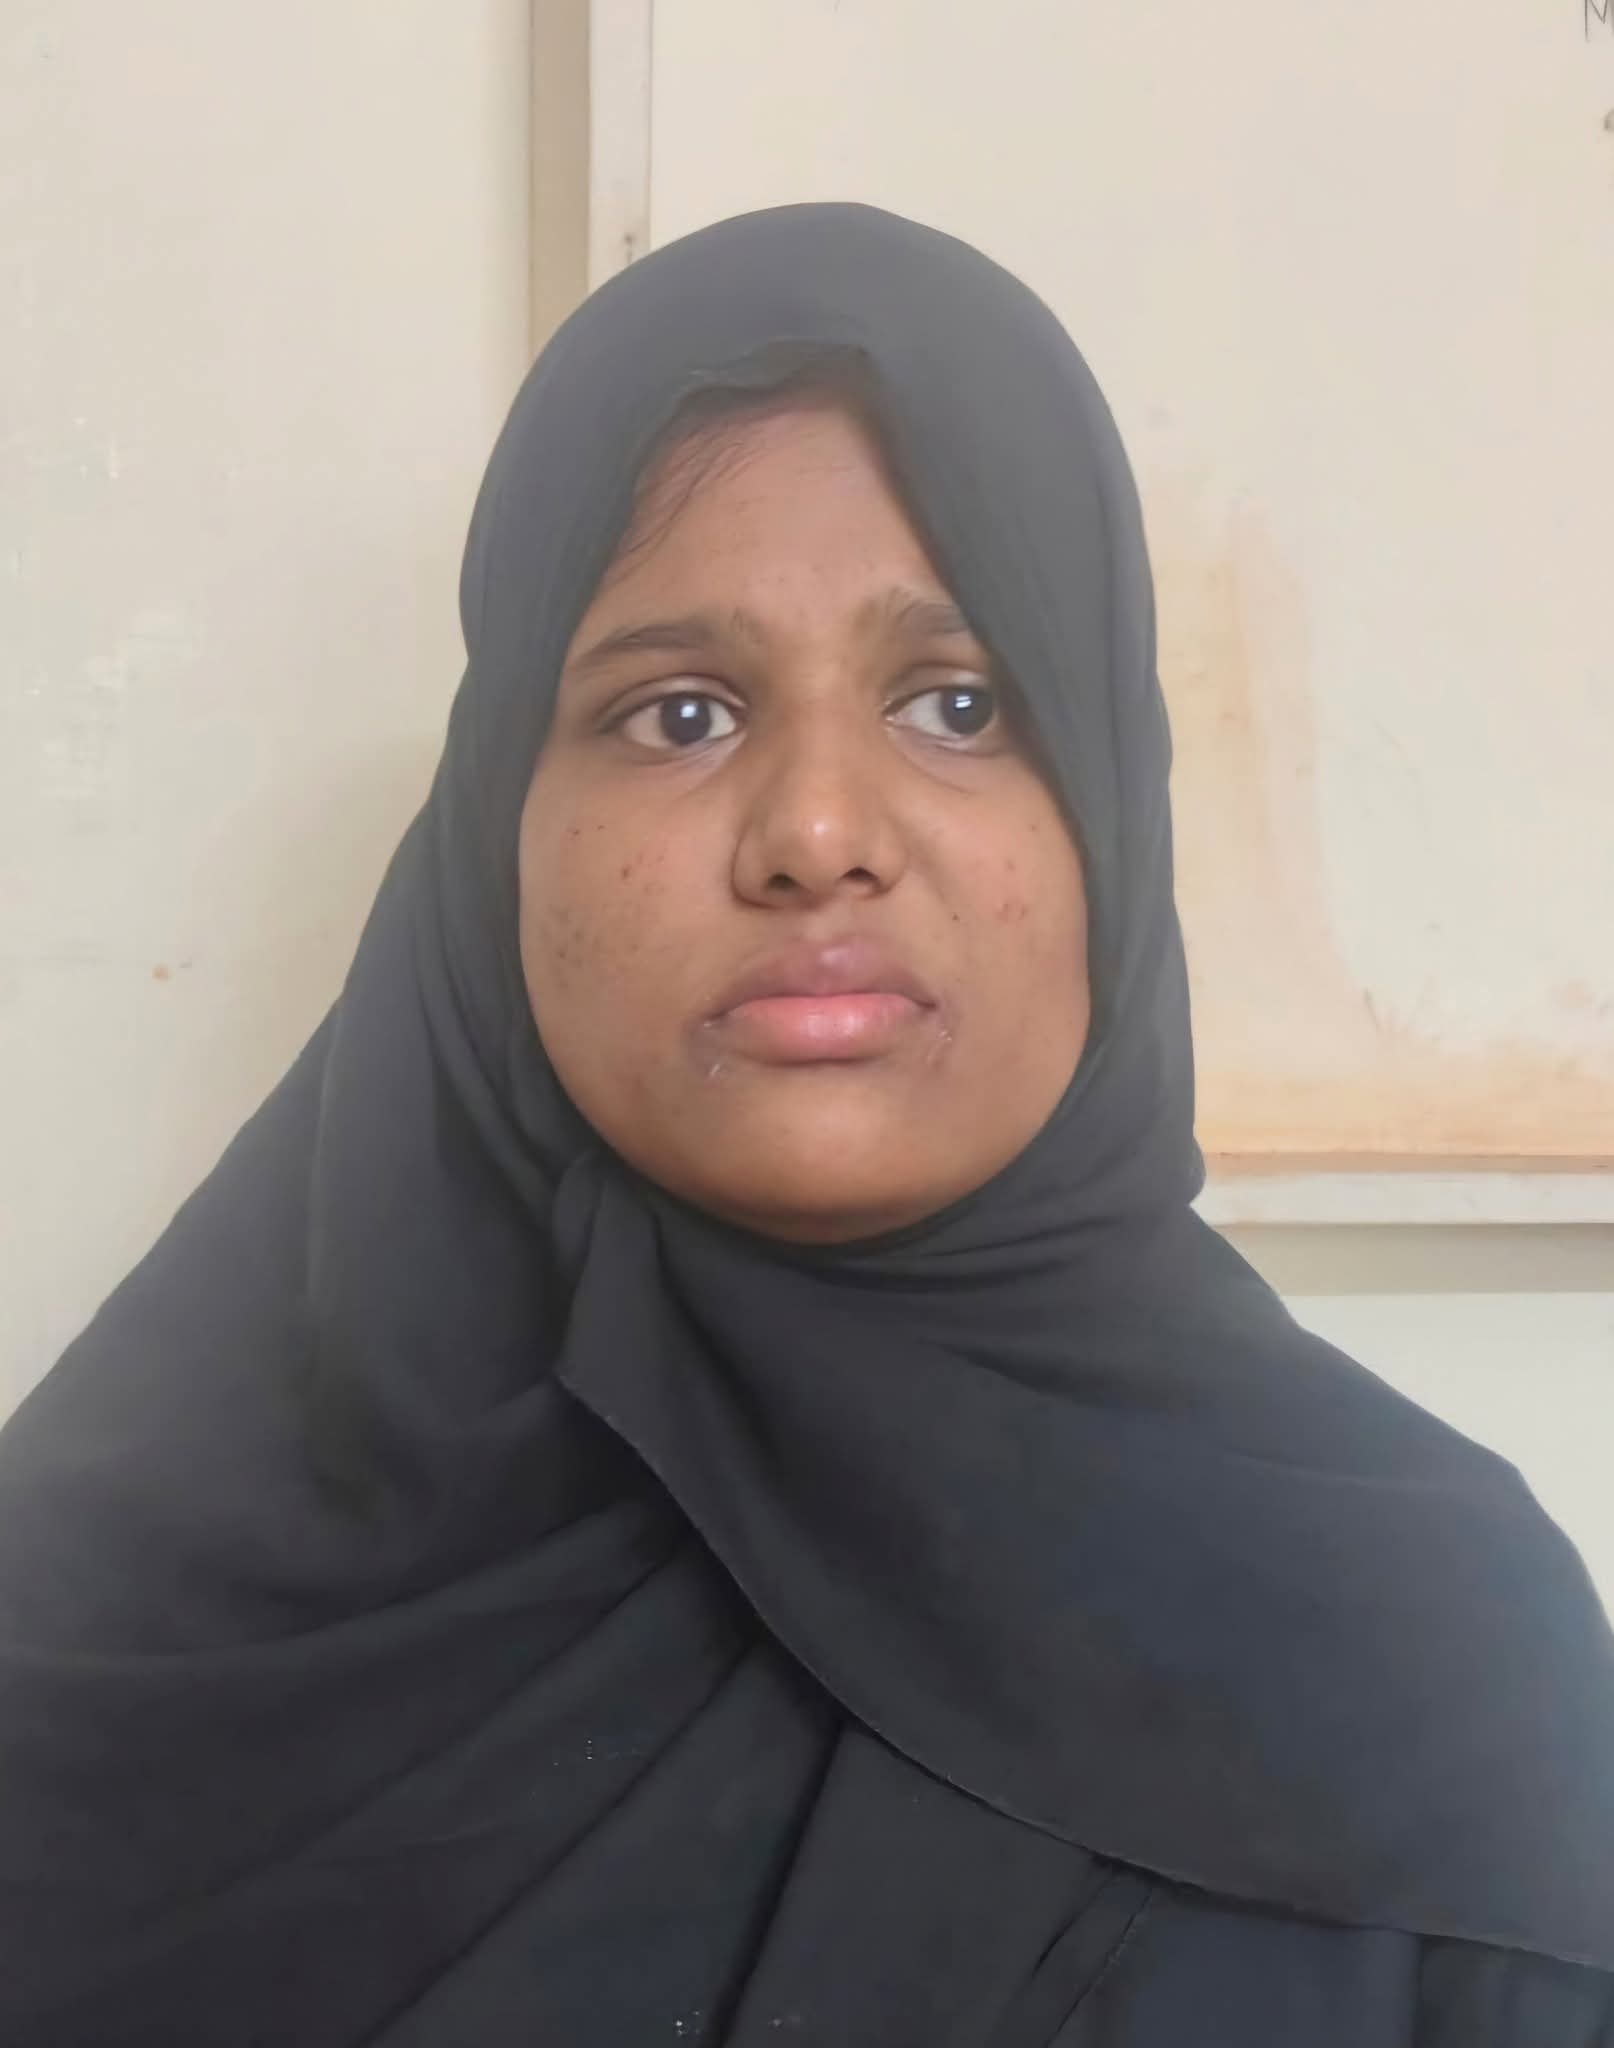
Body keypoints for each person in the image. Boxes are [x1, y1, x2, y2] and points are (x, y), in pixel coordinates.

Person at [1, 203, 1609, 2046]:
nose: (817, 831)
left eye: (958, 703)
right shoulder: (129, 1615)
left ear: (1107, 807)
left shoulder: (1428, 1658)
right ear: (494, 836)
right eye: (677, 714)